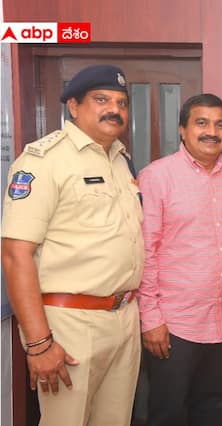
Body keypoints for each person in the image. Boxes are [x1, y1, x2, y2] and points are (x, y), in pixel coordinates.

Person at [1, 65, 144, 426]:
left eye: (121, 102)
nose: (114, 109)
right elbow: (15, 254)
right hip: (70, 325)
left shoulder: (121, 160)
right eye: (102, 100)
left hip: (124, 318)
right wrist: (39, 344)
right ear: (74, 106)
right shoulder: (44, 160)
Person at [136, 93, 222, 426]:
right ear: (182, 129)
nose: (212, 132)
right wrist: (151, 319)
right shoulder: (156, 176)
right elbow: (145, 251)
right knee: (168, 413)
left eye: (220, 125)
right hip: (174, 326)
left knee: (213, 409)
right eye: (201, 123)